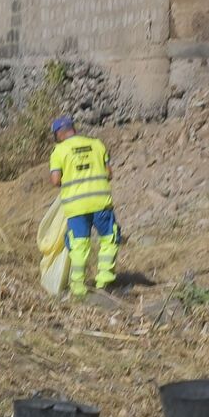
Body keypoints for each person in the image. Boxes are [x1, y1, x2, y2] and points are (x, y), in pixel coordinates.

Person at [48, 114, 119, 295]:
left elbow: (55, 180)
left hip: (76, 206)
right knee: (109, 239)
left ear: (58, 134)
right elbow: (109, 173)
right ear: (74, 129)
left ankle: (78, 287)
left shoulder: (59, 151)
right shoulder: (97, 144)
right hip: (100, 203)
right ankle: (104, 281)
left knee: (79, 245)